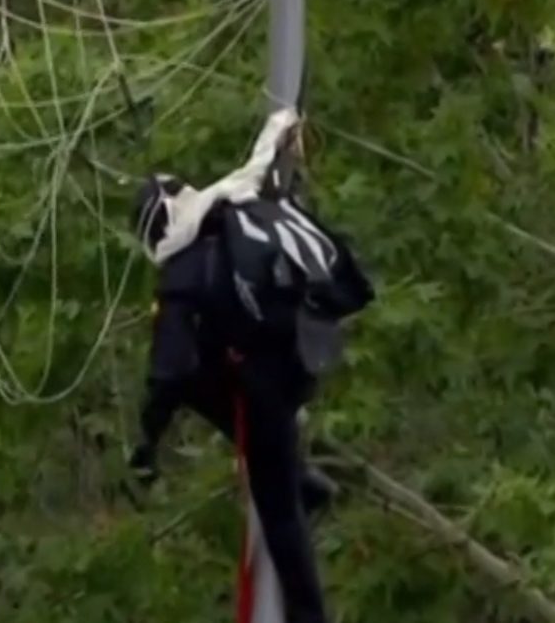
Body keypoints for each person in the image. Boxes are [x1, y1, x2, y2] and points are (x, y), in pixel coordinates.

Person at [126, 112, 374, 623]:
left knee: (277, 507)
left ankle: (309, 613)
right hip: (307, 342)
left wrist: (147, 445)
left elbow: (168, 372)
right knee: (215, 381)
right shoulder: (238, 207)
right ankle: (302, 479)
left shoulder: (182, 271)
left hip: (270, 374)